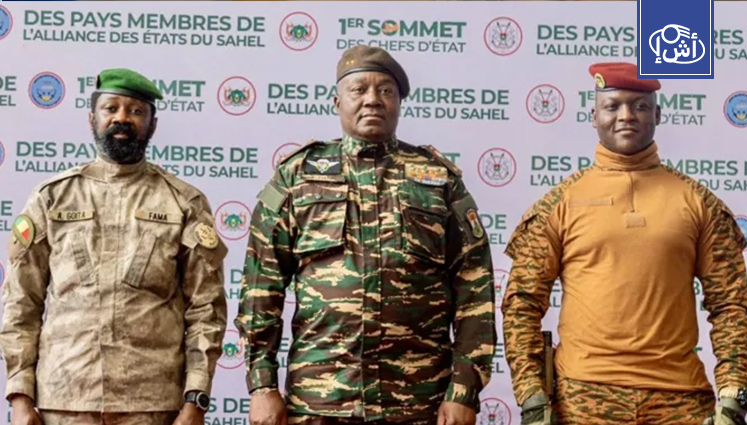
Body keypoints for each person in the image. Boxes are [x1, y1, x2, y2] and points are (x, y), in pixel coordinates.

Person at [235, 45, 496, 425]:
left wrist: (464, 390)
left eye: (386, 90)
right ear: (337, 101)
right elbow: (262, 286)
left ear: (399, 103)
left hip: (416, 402)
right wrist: (262, 386)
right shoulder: (297, 176)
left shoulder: (439, 179)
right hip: (319, 401)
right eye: (359, 89)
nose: (373, 99)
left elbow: (475, 287)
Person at [502, 62, 747, 425]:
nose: (626, 116)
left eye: (639, 106)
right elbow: (522, 302)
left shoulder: (699, 202)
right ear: (594, 116)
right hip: (581, 401)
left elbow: (730, 304)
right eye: (612, 105)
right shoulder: (558, 204)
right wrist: (531, 395)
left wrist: (732, 394)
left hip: (679, 401)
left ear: (657, 115)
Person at [0, 68, 228, 425]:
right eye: (111, 108)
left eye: (136, 111)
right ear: (92, 118)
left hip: (152, 404)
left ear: (152, 125)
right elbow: (21, 302)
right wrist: (19, 395)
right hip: (65, 400)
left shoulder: (184, 202)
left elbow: (206, 309)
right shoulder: (52, 197)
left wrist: (195, 400)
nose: (122, 118)